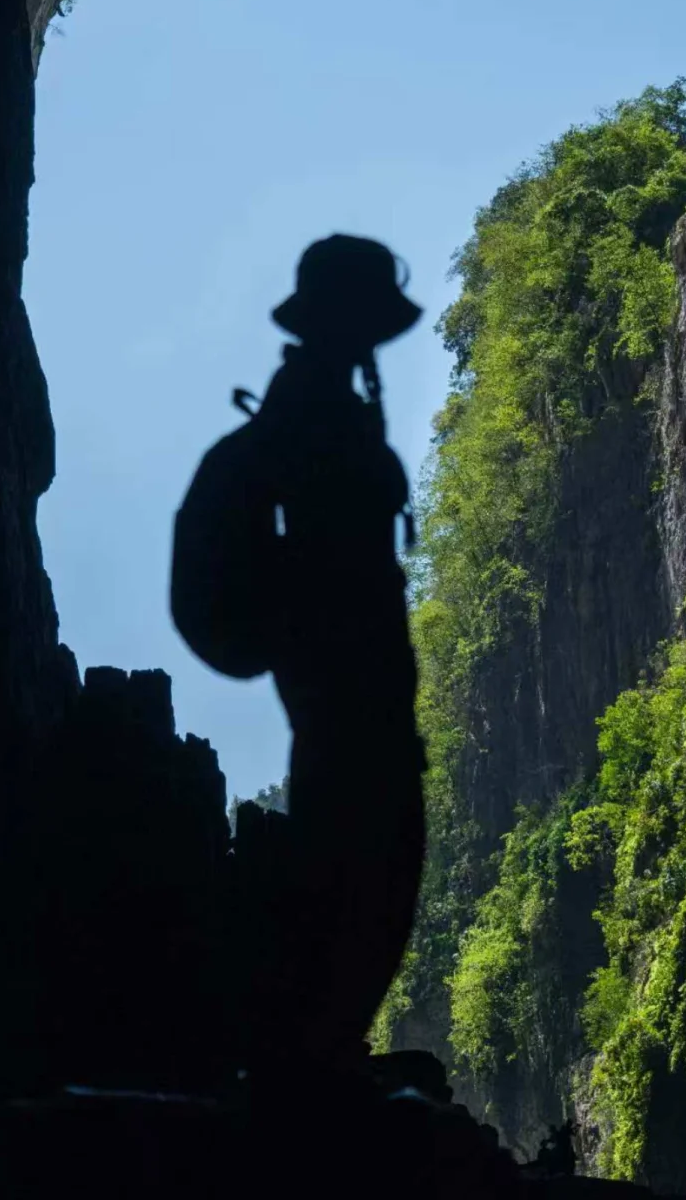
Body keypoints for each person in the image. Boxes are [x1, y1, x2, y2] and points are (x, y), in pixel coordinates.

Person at [171, 234, 426, 1074]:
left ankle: (312, 1055)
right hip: (342, 681)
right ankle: (307, 1064)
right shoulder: (312, 419)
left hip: (353, 683)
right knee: (360, 855)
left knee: (371, 857)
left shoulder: (325, 411)